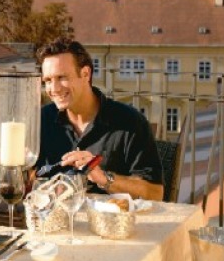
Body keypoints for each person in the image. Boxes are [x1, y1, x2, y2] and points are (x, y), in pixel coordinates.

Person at [36, 37, 164, 201]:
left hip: (111, 217)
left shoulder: (130, 122)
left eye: (62, 78)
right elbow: (29, 179)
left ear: (85, 74)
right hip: (56, 216)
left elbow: (155, 194)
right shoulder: (42, 120)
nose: (54, 89)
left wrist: (103, 178)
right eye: (47, 80)